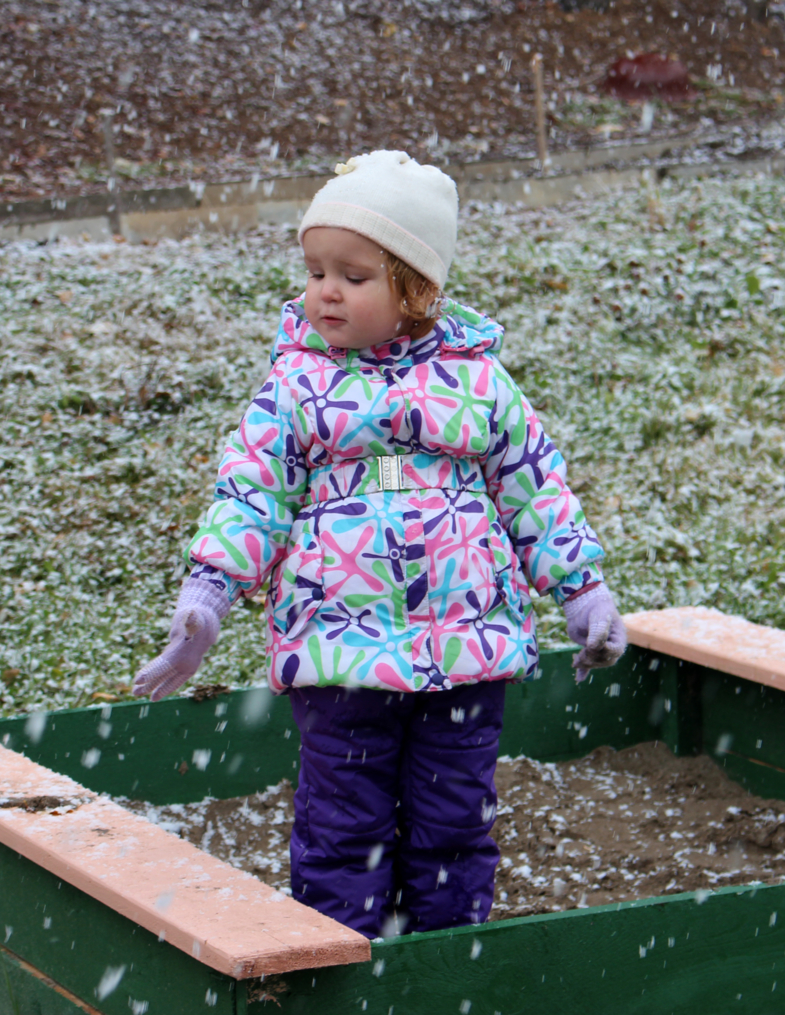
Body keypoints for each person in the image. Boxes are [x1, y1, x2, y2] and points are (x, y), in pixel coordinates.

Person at [133, 150, 626, 938]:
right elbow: (253, 491)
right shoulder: (296, 387)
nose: (325, 290)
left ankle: (444, 958)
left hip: (464, 648)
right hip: (341, 651)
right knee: (341, 826)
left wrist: (581, 585)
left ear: (416, 290)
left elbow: (534, 483)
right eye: (315, 269)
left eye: (353, 275)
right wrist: (209, 592)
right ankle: (340, 957)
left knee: (453, 821)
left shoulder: (479, 383)